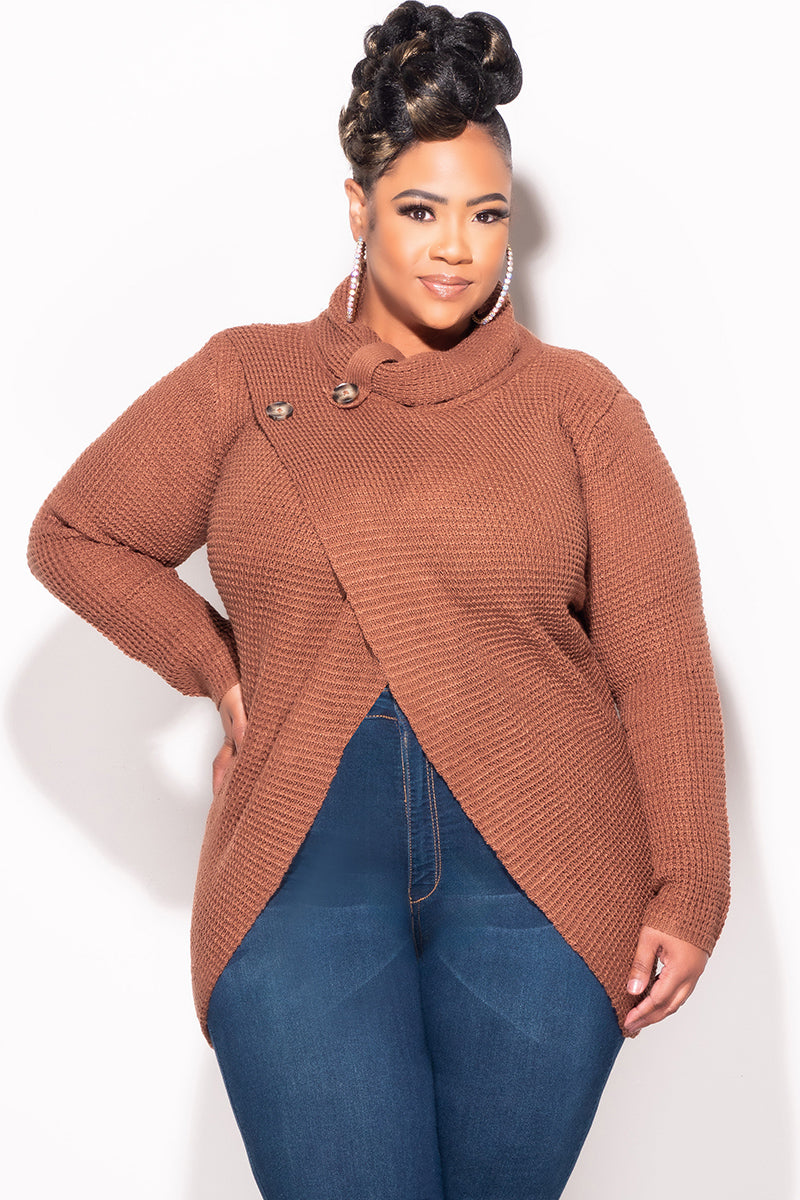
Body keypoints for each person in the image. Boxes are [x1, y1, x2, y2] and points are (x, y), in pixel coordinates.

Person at [26, 2, 731, 1197]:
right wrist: (220, 671)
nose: (455, 247)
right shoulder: (249, 376)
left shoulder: (578, 405)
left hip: (546, 878)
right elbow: (77, 535)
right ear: (356, 208)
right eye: (418, 210)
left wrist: (691, 887)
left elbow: (658, 654)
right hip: (297, 872)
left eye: (485, 214)